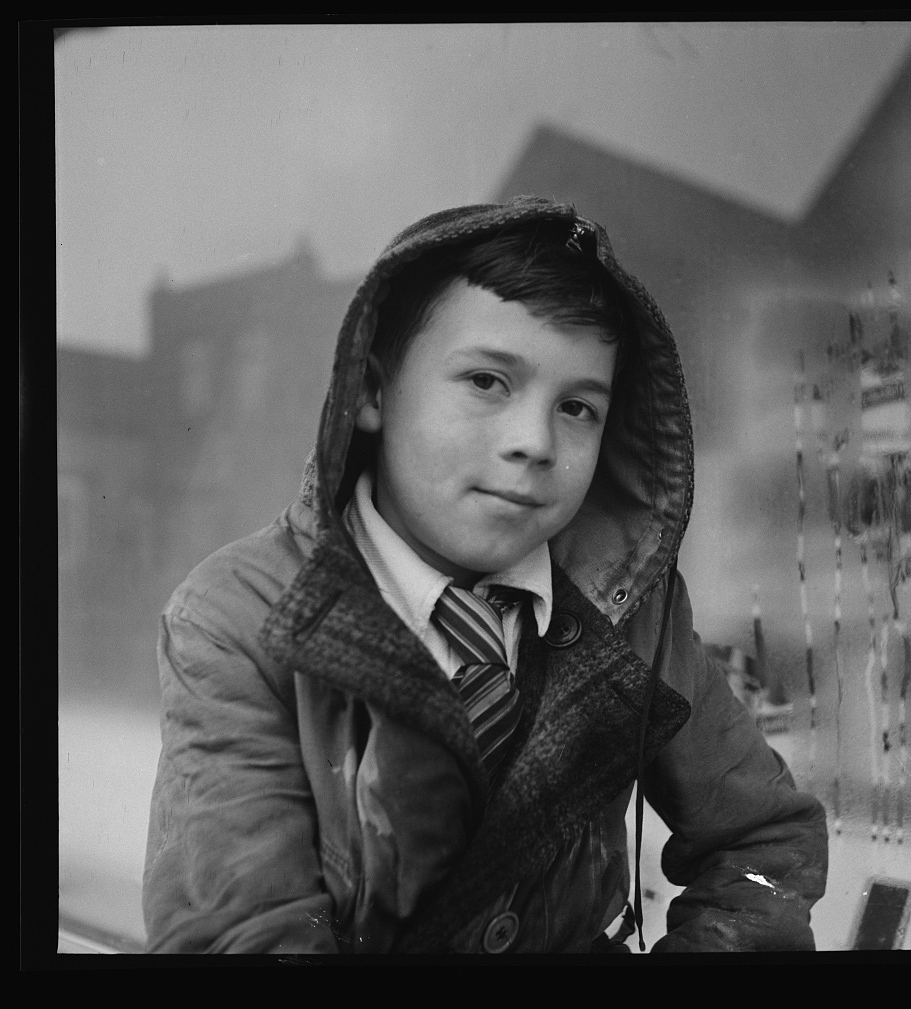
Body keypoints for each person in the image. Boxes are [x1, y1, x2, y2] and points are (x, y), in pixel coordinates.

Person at [142, 196, 828, 955]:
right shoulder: (239, 613)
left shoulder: (632, 606)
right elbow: (243, 932)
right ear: (371, 392)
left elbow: (763, 835)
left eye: (575, 408)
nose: (533, 442)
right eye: (486, 382)